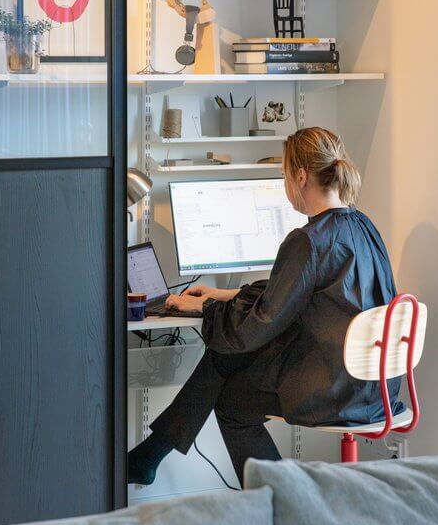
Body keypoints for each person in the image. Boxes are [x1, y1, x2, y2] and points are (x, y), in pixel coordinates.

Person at [128, 127, 404, 486]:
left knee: (230, 396)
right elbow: (293, 291)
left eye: (284, 176)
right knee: (227, 358)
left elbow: (258, 324)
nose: (285, 185)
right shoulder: (362, 225)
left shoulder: (308, 239)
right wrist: (221, 296)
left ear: (301, 177)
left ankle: (279, 497)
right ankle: (152, 454)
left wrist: (204, 311)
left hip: (335, 388)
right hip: (376, 386)